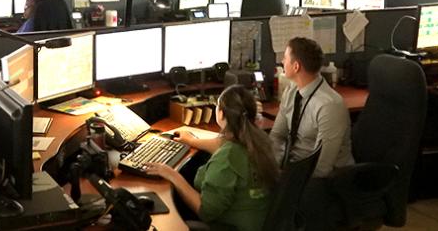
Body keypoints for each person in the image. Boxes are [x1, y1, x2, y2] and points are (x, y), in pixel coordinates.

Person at [146, 85, 279, 231]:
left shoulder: (227, 158)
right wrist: (191, 141)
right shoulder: (260, 141)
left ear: (221, 114)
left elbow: (206, 211)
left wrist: (172, 175)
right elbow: (223, 144)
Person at [269, 37, 354, 230]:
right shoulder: (291, 92)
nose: (282, 62)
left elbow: (323, 166)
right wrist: (273, 168)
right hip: (294, 170)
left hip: (324, 180)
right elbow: (277, 136)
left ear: (296, 66)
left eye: (285, 58)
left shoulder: (329, 105)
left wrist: (289, 184)